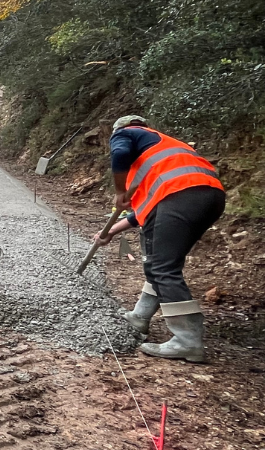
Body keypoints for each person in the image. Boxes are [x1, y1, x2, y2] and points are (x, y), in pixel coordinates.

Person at [91, 115, 224, 362]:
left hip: (182, 196)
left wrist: (119, 192)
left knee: (164, 267)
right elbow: (143, 214)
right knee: (158, 261)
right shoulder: (160, 153)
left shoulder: (125, 133)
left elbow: (119, 154)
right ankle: (140, 316)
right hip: (209, 197)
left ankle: (187, 341)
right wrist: (110, 232)